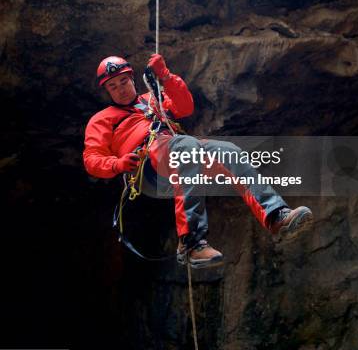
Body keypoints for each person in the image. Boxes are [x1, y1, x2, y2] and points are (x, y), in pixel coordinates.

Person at [83, 54, 313, 268]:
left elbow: (185, 106)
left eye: (123, 82)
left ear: (131, 78)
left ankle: (276, 216)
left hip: (177, 157)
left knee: (228, 151)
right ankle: (191, 243)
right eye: (112, 86)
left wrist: (165, 77)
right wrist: (118, 164)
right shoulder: (102, 120)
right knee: (185, 146)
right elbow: (92, 159)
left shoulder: (153, 99)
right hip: (149, 171)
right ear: (106, 90)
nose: (120, 90)